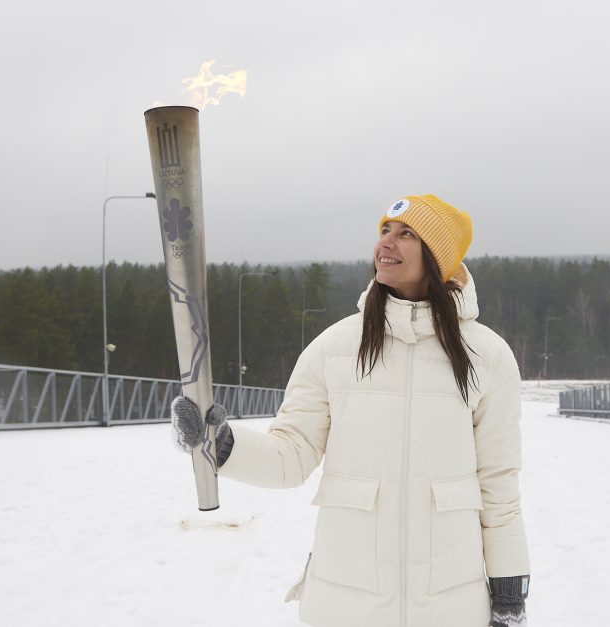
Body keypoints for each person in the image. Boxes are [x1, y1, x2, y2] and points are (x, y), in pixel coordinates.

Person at [172, 194, 531, 627]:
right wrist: (220, 445)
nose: (386, 243)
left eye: (406, 234)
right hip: (345, 605)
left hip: (449, 607)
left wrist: (509, 592)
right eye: (384, 231)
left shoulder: (486, 355)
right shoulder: (335, 347)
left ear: (437, 256)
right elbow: (291, 455)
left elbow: (498, 485)